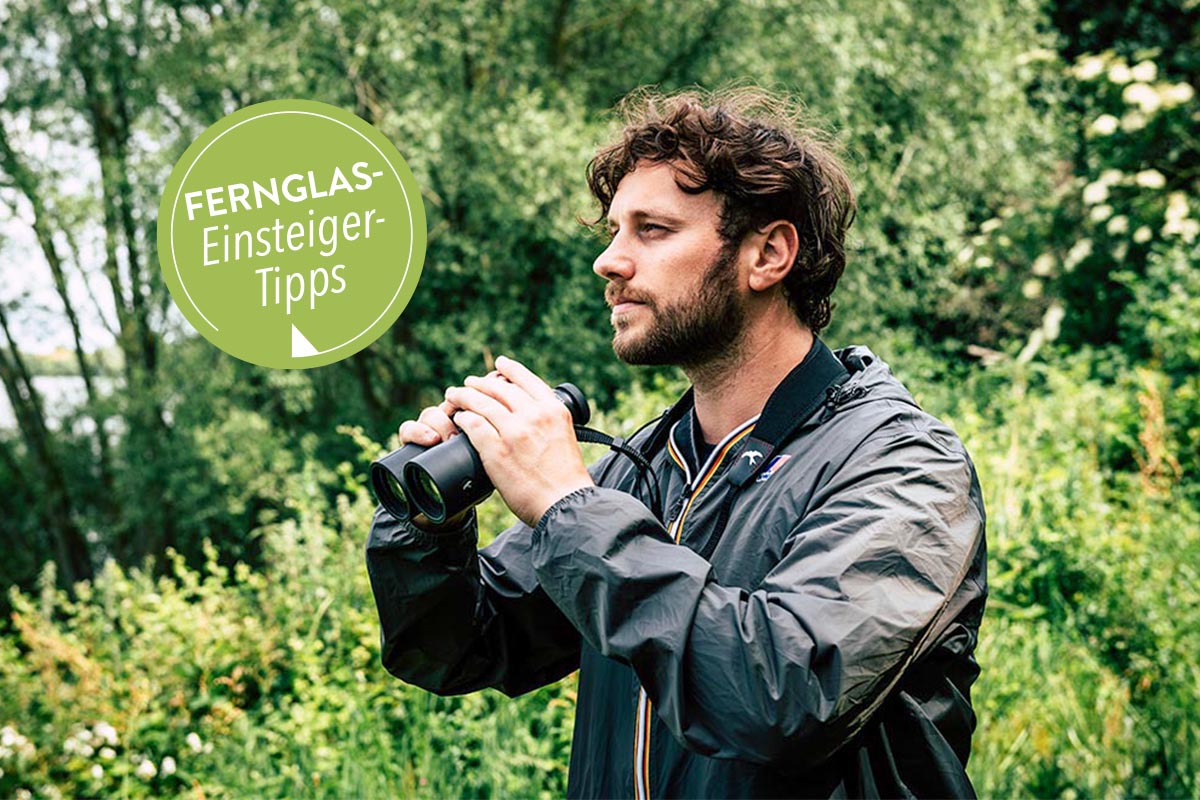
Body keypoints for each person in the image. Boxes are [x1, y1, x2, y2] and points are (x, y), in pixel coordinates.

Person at [366, 87, 987, 799]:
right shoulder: (644, 470)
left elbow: (785, 696)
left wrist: (568, 505)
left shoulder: (902, 465)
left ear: (768, 254)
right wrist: (427, 525)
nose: (609, 260)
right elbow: (463, 648)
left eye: (651, 230)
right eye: (612, 231)